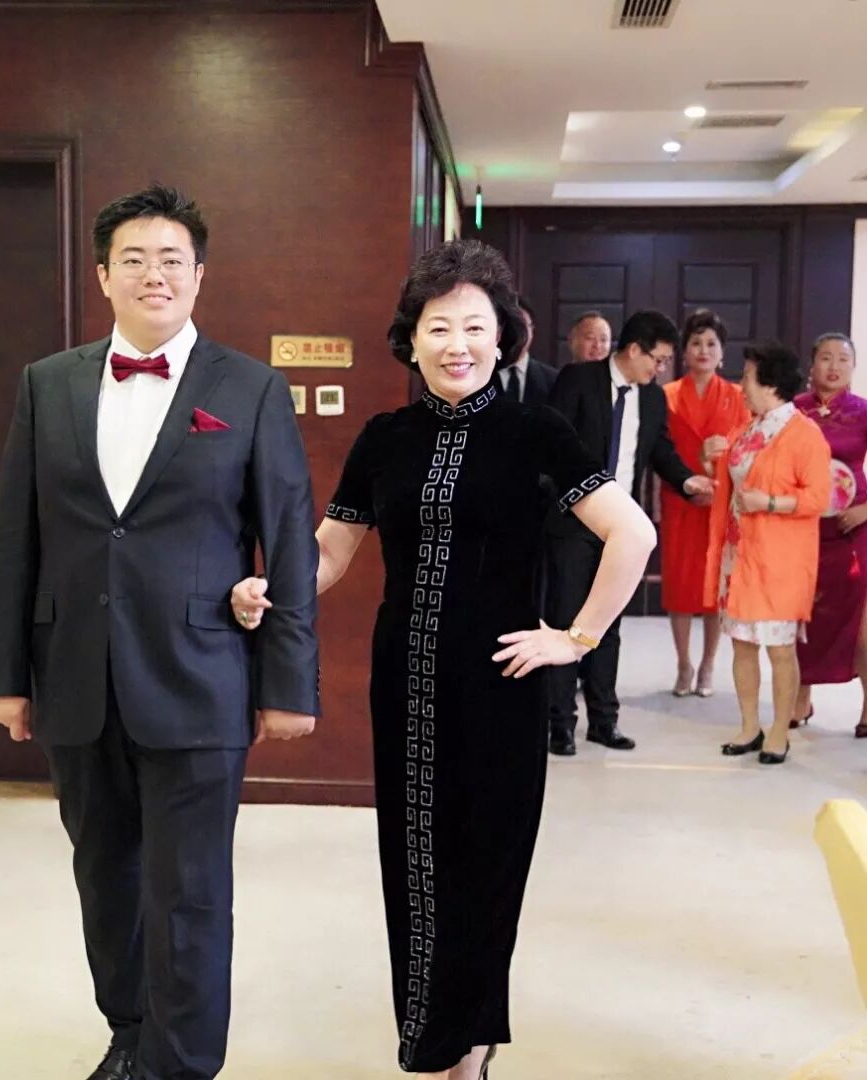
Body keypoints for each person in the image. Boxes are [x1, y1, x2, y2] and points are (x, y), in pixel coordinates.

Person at [231, 240, 656, 1080]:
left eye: (474, 326)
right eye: (438, 327)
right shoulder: (385, 438)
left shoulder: (536, 430)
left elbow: (631, 533)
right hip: (405, 683)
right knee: (416, 863)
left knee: (486, 866)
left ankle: (466, 1048)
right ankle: (436, 1040)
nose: (456, 343)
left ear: (503, 337)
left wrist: (573, 639)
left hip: (500, 685)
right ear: (412, 339)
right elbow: (331, 554)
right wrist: (267, 590)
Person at [0, 185, 319, 1080]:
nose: (153, 274)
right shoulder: (48, 383)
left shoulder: (249, 388)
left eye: (171, 259)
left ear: (200, 275)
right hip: (75, 675)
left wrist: (288, 685)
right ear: (103, 275)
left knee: (190, 891)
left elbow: (286, 538)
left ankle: (181, 1064)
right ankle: (129, 1035)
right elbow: (17, 535)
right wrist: (2, 676)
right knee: (106, 878)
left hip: (200, 675)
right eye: (133, 258)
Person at [545, 311, 713, 755]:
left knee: (609, 624)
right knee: (567, 619)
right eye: (657, 360)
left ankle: (604, 721)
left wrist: (686, 481)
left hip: (622, 529)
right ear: (634, 349)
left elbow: (660, 451)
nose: (660, 369)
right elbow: (553, 442)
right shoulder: (578, 380)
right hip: (573, 521)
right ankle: (560, 724)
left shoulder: (652, 398)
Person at [704, 343, 830, 765]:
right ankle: (748, 726)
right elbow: (730, 480)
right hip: (740, 555)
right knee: (742, 643)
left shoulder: (804, 434)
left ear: (771, 384)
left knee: (779, 649)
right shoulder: (747, 428)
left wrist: (771, 503)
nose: (741, 385)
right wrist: (711, 459)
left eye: (747, 377)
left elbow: (819, 498)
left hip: (780, 561)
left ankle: (779, 731)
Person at [661, 309, 750, 696]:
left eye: (711, 344)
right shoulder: (666, 395)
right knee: (680, 587)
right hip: (680, 499)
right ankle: (683, 664)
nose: (703, 350)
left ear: (722, 353)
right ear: (684, 352)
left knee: (715, 589)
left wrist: (722, 484)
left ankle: (709, 665)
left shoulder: (737, 396)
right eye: (696, 343)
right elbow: (660, 450)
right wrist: (686, 482)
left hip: (720, 502)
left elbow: (746, 449)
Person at [792, 333, 867, 738]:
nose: (834, 366)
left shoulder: (863, 411)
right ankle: (799, 699)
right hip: (803, 529)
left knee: (862, 625)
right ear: (812, 364)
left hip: (855, 528)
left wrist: (865, 511)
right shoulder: (793, 411)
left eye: (843, 359)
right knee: (801, 618)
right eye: (825, 357)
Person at [498, 296, 557, 405]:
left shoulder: (554, 380)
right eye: (510, 326)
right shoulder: (477, 377)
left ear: (532, 330)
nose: (516, 333)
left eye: (522, 326)